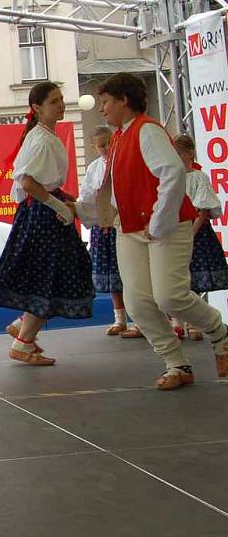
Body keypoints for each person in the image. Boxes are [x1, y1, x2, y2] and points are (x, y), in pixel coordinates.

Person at [75, 72, 228, 390]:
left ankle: (221, 334)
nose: (101, 109)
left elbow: (172, 173)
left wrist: (159, 221)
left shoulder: (147, 130)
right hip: (130, 228)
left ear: (123, 100)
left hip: (163, 227)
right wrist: (84, 212)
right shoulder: (120, 136)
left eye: (105, 102)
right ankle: (177, 364)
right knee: (139, 303)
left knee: (169, 296)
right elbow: (113, 190)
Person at [0, 81, 94, 365]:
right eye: (54, 101)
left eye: (61, 99)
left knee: (50, 276)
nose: (61, 104)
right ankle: (23, 342)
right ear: (37, 108)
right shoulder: (41, 139)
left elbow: (38, 182)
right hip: (42, 215)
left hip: (42, 211)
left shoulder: (44, 135)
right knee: (49, 277)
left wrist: (67, 200)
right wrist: (60, 205)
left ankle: (23, 328)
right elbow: (28, 182)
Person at [78, 126, 141, 337]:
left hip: (123, 222)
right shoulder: (94, 168)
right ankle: (119, 319)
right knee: (113, 275)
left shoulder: (123, 161)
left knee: (132, 274)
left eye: (108, 143)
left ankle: (140, 320)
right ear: (93, 147)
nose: (105, 148)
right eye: (101, 145)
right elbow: (85, 196)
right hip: (102, 226)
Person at [171, 133, 228, 340]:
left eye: (178, 153)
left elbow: (203, 210)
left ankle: (195, 322)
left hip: (195, 232)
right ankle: (177, 323)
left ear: (189, 153)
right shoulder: (169, 178)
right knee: (177, 280)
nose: (175, 157)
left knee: (195, 279)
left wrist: (190, 234)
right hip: (175, 232)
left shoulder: (198, 177)